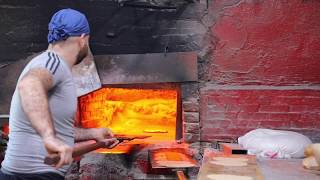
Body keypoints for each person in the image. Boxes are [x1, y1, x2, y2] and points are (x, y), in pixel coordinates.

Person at [0, 8, 119, 180]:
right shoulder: (52, 62)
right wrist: (49, 138)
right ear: (82, 39)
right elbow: (29, 85)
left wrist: (95, 138)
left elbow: (56, 150)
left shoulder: (54, 67)